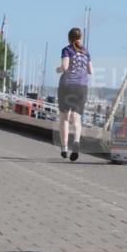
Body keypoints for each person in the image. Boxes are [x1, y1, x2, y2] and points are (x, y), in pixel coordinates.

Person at [56, 27, 92, 161]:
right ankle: (76, 141)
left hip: (67, 86)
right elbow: (90, 71)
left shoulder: (67, 50)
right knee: (77, 118)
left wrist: (58, 69)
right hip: (82, 87)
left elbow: (65, 67)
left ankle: (64, 147)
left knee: (64, 118)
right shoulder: (86, 52)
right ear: (80, 38)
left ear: (69, 38)